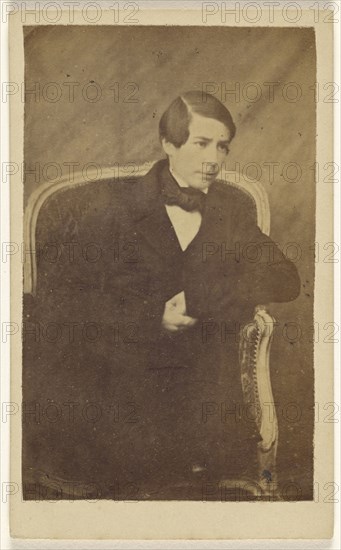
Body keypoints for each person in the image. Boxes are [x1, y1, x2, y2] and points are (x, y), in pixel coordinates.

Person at [24, 91, 300, 500]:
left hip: (201, 381)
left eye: (222, 146)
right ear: (168, 144)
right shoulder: (112, 209)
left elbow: (285, 279)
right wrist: (151, 315)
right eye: (201, 143)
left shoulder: (229, 211)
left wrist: (201, 299)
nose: (214, 159)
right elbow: (59, 302)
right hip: (120, 381)